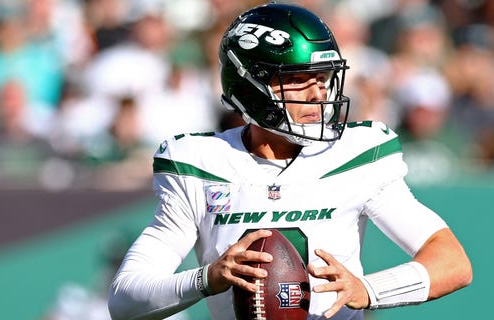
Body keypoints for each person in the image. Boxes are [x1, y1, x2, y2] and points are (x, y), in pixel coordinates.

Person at [107, 3, 472, 320]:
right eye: (298, 79)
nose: (318, 94)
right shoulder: (200, 163)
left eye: (324, 78)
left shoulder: (357, 154)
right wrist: (207, 278)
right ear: (250, 84)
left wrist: (369, 289)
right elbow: (125, 300)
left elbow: (452, 262)